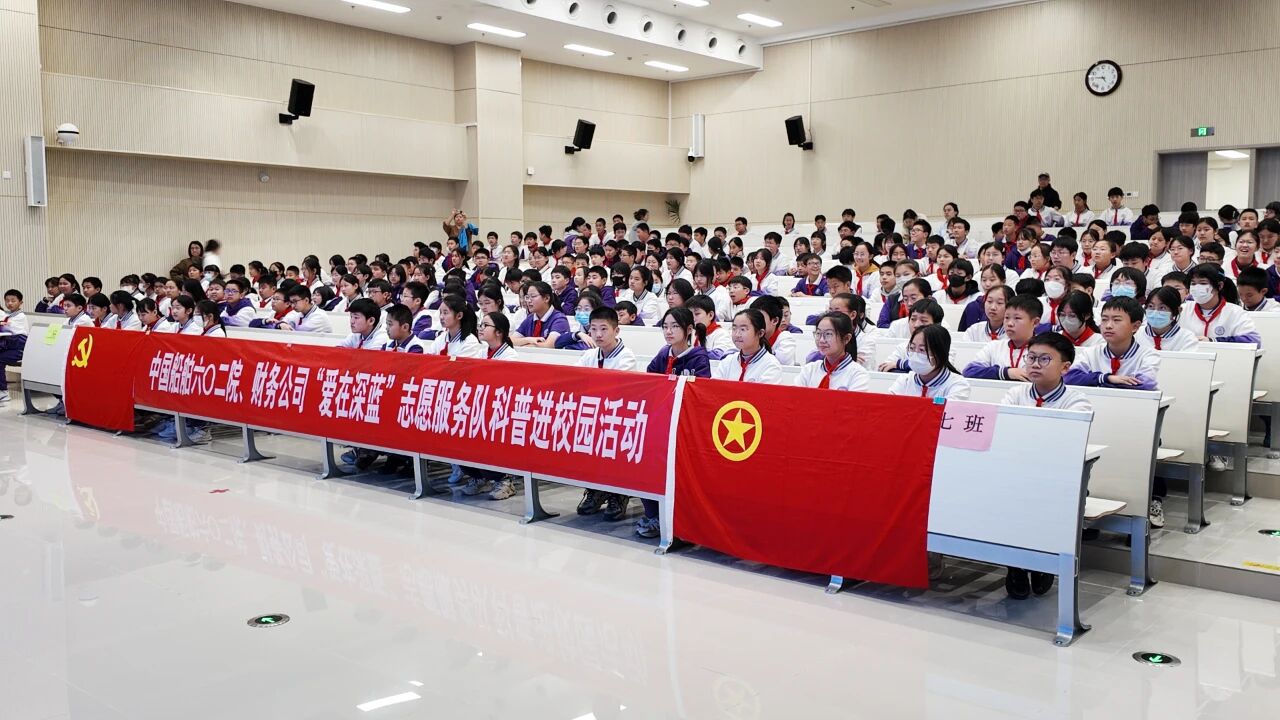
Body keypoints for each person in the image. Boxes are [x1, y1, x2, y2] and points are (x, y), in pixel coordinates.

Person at [1000, 332, 1092, 599]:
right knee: (1009, 494)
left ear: (1065, 367)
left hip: (1058, 480)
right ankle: (1016, 564)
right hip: (1018, 477)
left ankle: (1045, 558)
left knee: (1039, 497)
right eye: (1031, 358)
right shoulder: (1014, 394)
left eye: (1044, 359)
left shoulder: (1077, 402)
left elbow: (1063, 446)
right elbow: (1005, 434)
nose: (1035, 365)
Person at [574, 306, 638, 522]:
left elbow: (615, 391)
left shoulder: (626, 357)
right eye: (593, 329)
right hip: (593, 415)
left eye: (604, 329)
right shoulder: (589, 355)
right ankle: (595, 489)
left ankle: (618, 494)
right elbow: (575, 380)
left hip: (618, 419)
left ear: (616, 330)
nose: (598, 334)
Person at [1065, 297, 1160, 390]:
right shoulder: (1090, 353)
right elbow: (1067, 377)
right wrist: (1105, 378)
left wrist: (1096, 382)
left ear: (1135, 326)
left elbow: (1145, 384)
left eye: (1116, 320)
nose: (1108, 326)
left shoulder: (1148, 355)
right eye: (1104, 319)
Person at [964, 295, 1042, 380]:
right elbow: (969, 371)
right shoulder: (994, 346)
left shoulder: (1044, 349)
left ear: (1035, 322)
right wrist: (1005, 373)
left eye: (1017, 318)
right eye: (1007, 317)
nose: (1010, 323)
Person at [886, 325, 971, 399]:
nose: (915, 354)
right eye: (912, 348)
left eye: (922, 350)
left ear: (940, 354)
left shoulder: (958, 385)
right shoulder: (905, 381)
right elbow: (888, 407)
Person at [1181, 265, 1260, 344]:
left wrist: (1214, 341)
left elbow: (1254, 340)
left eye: (1203, 283)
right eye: (1193, 283)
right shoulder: (1182, 309)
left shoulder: (1235, 312)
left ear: (1220, 286)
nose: (1197, 288)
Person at [797, 313, 869, 391]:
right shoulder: (809, 370)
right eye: (818, 333)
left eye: (828, 334)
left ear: (846, 338)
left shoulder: (858, 374)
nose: (821, 340)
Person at [711, 309, 783, 384]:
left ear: (760, 333)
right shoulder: (727, 361)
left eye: (743, 329)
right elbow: (712, 388)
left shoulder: (771, 365)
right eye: (734, 329)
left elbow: (764, 391)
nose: (737, 334)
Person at [1137, 286, 1198, 351]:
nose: (1155, 312)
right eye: (1151, 306)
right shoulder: (1136, 334)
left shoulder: (1187, 338)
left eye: (1162, 308)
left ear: (1177, 311)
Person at [751, 295, 796, 366]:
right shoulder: (749, 336)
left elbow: (781, 362)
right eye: (753, 319)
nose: (755, 322)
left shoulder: (786, 338)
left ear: (775, 321)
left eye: (760, 319)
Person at [0, 289, 28, 403]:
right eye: (7, 301)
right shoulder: (8, 315)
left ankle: (3, 392)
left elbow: (8, 328)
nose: (10, 303)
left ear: (20, 302)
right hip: (9, 345)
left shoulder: (20, 316)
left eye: (13, 300)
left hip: (19, 348)